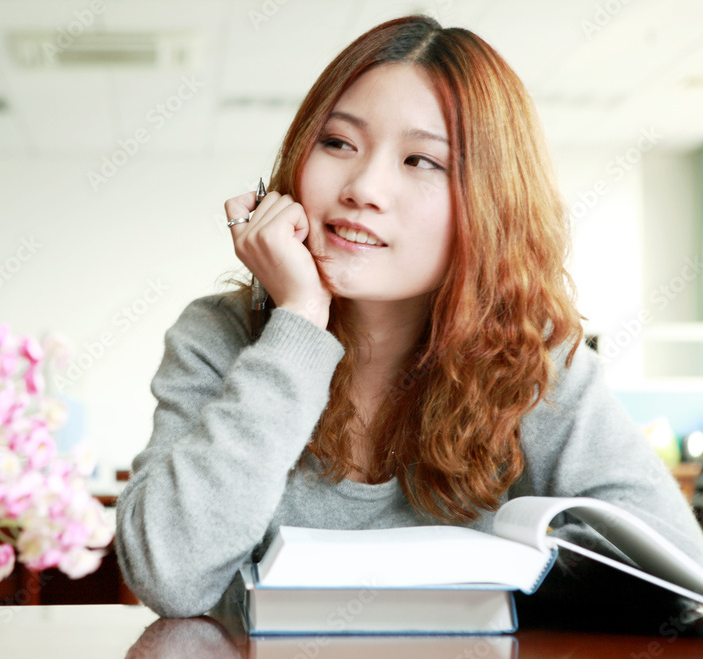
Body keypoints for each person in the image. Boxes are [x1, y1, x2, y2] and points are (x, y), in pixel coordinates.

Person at [113, 15, 703, 626]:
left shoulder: (537, 362)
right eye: (338, 143)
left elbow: (682, 575)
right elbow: (170, 577)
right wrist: (300, 322)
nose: (364, 187)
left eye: (422, 160)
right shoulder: (221, 335)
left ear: (490, 203)